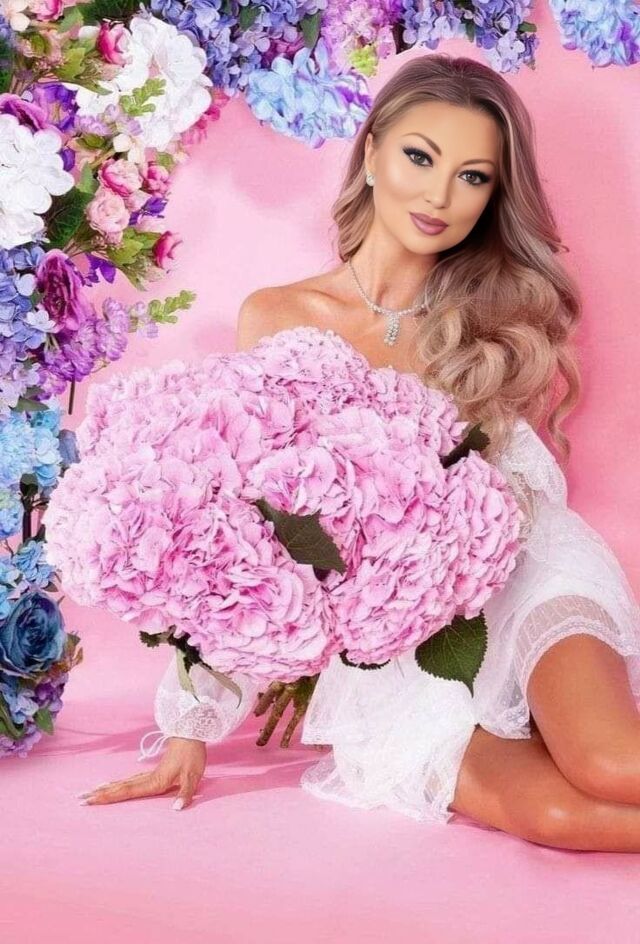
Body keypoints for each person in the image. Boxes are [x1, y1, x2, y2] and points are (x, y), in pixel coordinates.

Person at [76, 53, 640, 852]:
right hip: (395, 646)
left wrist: (442, 524)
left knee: (612, 763)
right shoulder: (278, 318)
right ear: (372, 152)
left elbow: (520, 494)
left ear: (492, 197)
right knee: (558, 817)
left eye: (473, 177)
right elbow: (246, 540)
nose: (439, 196)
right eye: (420, 157)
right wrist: (190, 727)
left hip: (523, 574)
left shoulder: (493, 321)